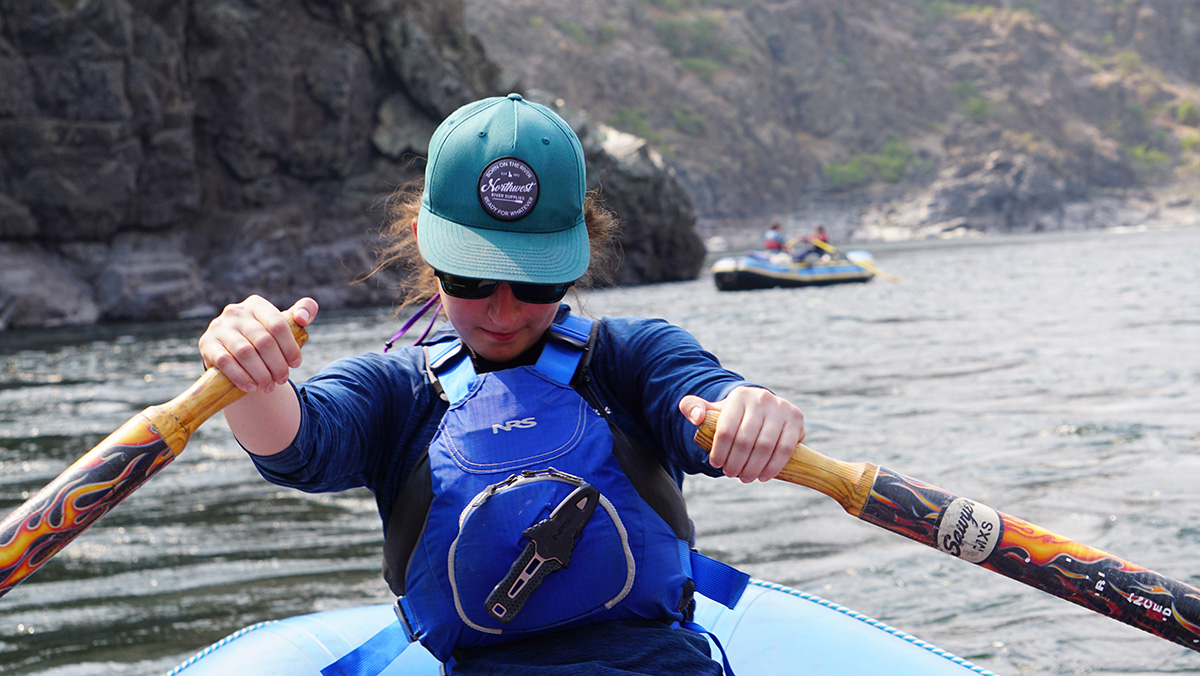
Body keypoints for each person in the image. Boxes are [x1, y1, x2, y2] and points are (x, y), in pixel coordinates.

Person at [197, 93, 806, 675]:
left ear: (581, 253)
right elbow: (296, 447)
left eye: (538, 284)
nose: (504, 313)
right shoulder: (395, 395)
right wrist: (251, 370)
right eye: (471, 281)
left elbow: (704, 393)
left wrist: (750, 410)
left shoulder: (633, 359)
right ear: (425, 247)